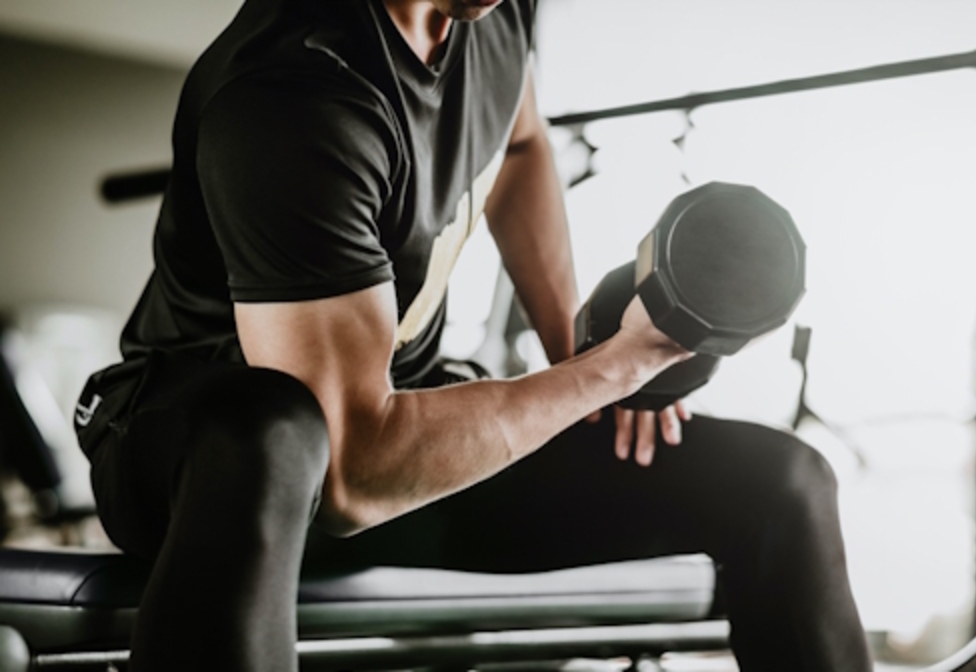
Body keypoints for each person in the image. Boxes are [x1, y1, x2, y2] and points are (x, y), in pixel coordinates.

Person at [74, 0, 871, 669]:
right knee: (274, 430)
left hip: (398, 439)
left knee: (783, 483)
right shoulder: (296, 92)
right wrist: (612, 370)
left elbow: (521, 144)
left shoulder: (494, 13)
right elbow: (354, 473)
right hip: (203, 461)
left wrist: (577, 351)